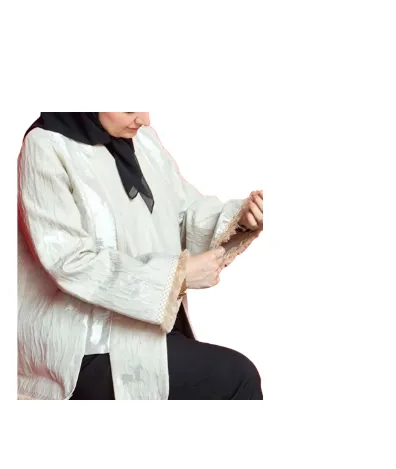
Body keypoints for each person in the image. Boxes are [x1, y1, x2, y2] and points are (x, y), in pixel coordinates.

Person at [17, 112, 264, 400]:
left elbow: (183, 214)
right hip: (83, 345)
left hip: (150, 330)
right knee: (237, 377)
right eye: (128, 108)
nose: (144, 119)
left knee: (229, 376)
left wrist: (240, 218)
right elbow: (69, 261)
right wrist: (176, 277)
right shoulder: (46, 146)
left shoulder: (142, 140)